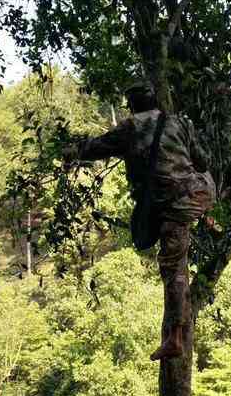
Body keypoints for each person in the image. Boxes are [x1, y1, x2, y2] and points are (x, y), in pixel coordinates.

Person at [65, 83, 216, 361]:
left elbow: (96, 148)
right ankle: (205, 215)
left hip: (173, 205)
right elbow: (203, 162)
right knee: (173, 244)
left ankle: (175, 337)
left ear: (131, 106)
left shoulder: (131, 127)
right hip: (198, 193)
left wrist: (69, 150)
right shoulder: (179, 122)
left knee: (173, 269)